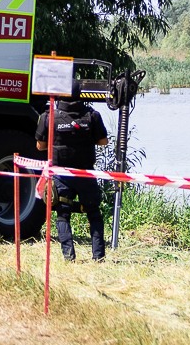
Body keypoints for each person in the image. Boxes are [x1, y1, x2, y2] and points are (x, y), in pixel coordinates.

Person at [36, 96, 108, 261]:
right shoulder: (92, 115)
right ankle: (99, 257)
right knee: (94, 213)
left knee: (63, 214)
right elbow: (103, 141)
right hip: (86, 174)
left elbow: (40, 145)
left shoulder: (49, 116)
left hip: (62, 174)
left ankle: (69, 256)